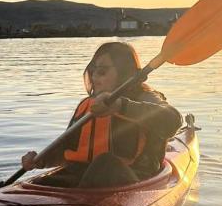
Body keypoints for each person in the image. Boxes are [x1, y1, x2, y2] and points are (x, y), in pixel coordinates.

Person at [21, 41, 182, 188]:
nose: (95, 77)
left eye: (102, 71)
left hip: (133, 180)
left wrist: (121, 106)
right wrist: (40, 160)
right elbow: (65, 150)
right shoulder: (89, 105)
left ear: (124, 72)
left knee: (106, 164)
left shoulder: (144, 97)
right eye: (93, 72)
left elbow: (173, 120)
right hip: (81, 178)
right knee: (40, 183)